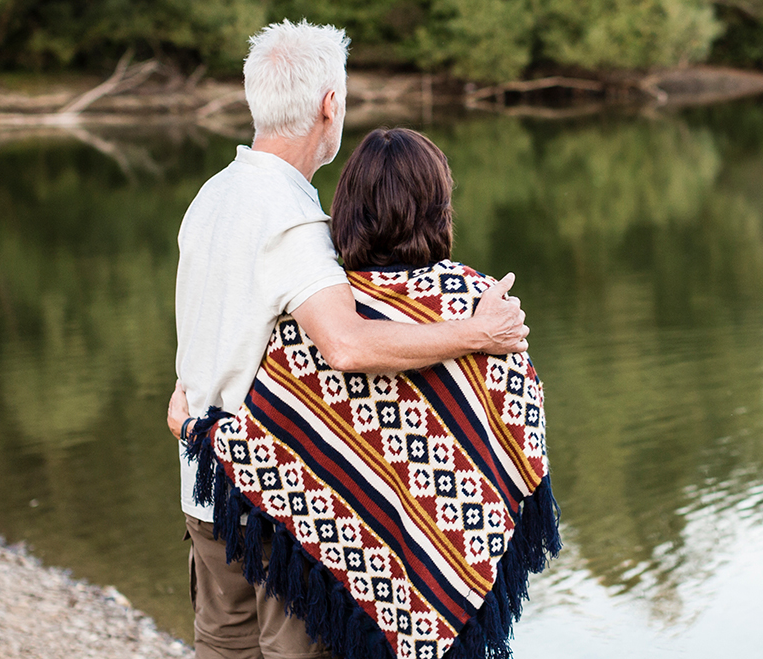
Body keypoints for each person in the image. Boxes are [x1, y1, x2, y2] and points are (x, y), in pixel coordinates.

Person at [172, 20, 529, 659]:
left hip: (203, 487)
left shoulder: (212, 195)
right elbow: (348, 348)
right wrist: (475, 332)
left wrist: (188, 408)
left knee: (221, 646)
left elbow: (209, 328)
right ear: (330, 105)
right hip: (273, 503)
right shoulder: (295, 221)